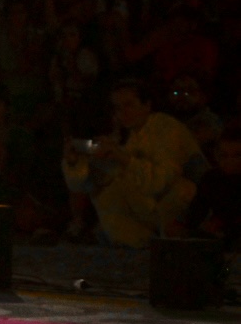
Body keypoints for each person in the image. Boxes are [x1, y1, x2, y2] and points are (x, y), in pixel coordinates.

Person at [63, 78, 207, 248]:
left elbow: (161, 181)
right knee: (105, 189)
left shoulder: (166, 128)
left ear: (146, 105)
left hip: (188, 204)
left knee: (181, 189)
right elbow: (83, 184)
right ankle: (135, 245)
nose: (123, 112)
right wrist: (75, 162)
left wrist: (123, 158)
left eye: (129, 105)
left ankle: (167, 245)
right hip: (150, 206)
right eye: (117, 108)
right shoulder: (129, 136)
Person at [182, 125, 241, 249]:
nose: (230, 161)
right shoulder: (212, 178)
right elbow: (197, 210)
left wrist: (223, 223)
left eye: (237, 156)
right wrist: (182, 227)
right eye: (224, 155)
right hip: (220, 240)